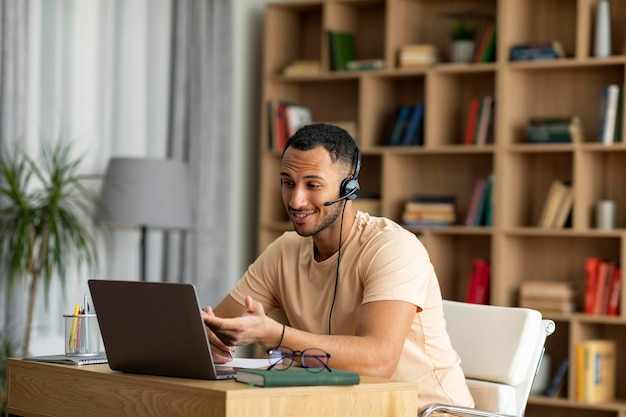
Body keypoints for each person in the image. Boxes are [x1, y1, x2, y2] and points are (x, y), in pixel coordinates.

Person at [202, 123, 474, 408]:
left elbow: (378, 362)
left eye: (313, 185)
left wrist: (274, 335)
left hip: (429, 412)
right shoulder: (284, 251)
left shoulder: (393, 248)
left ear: (349, 187)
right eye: (287, 182)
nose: (296, 200)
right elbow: (221, 328)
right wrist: (210, 337)